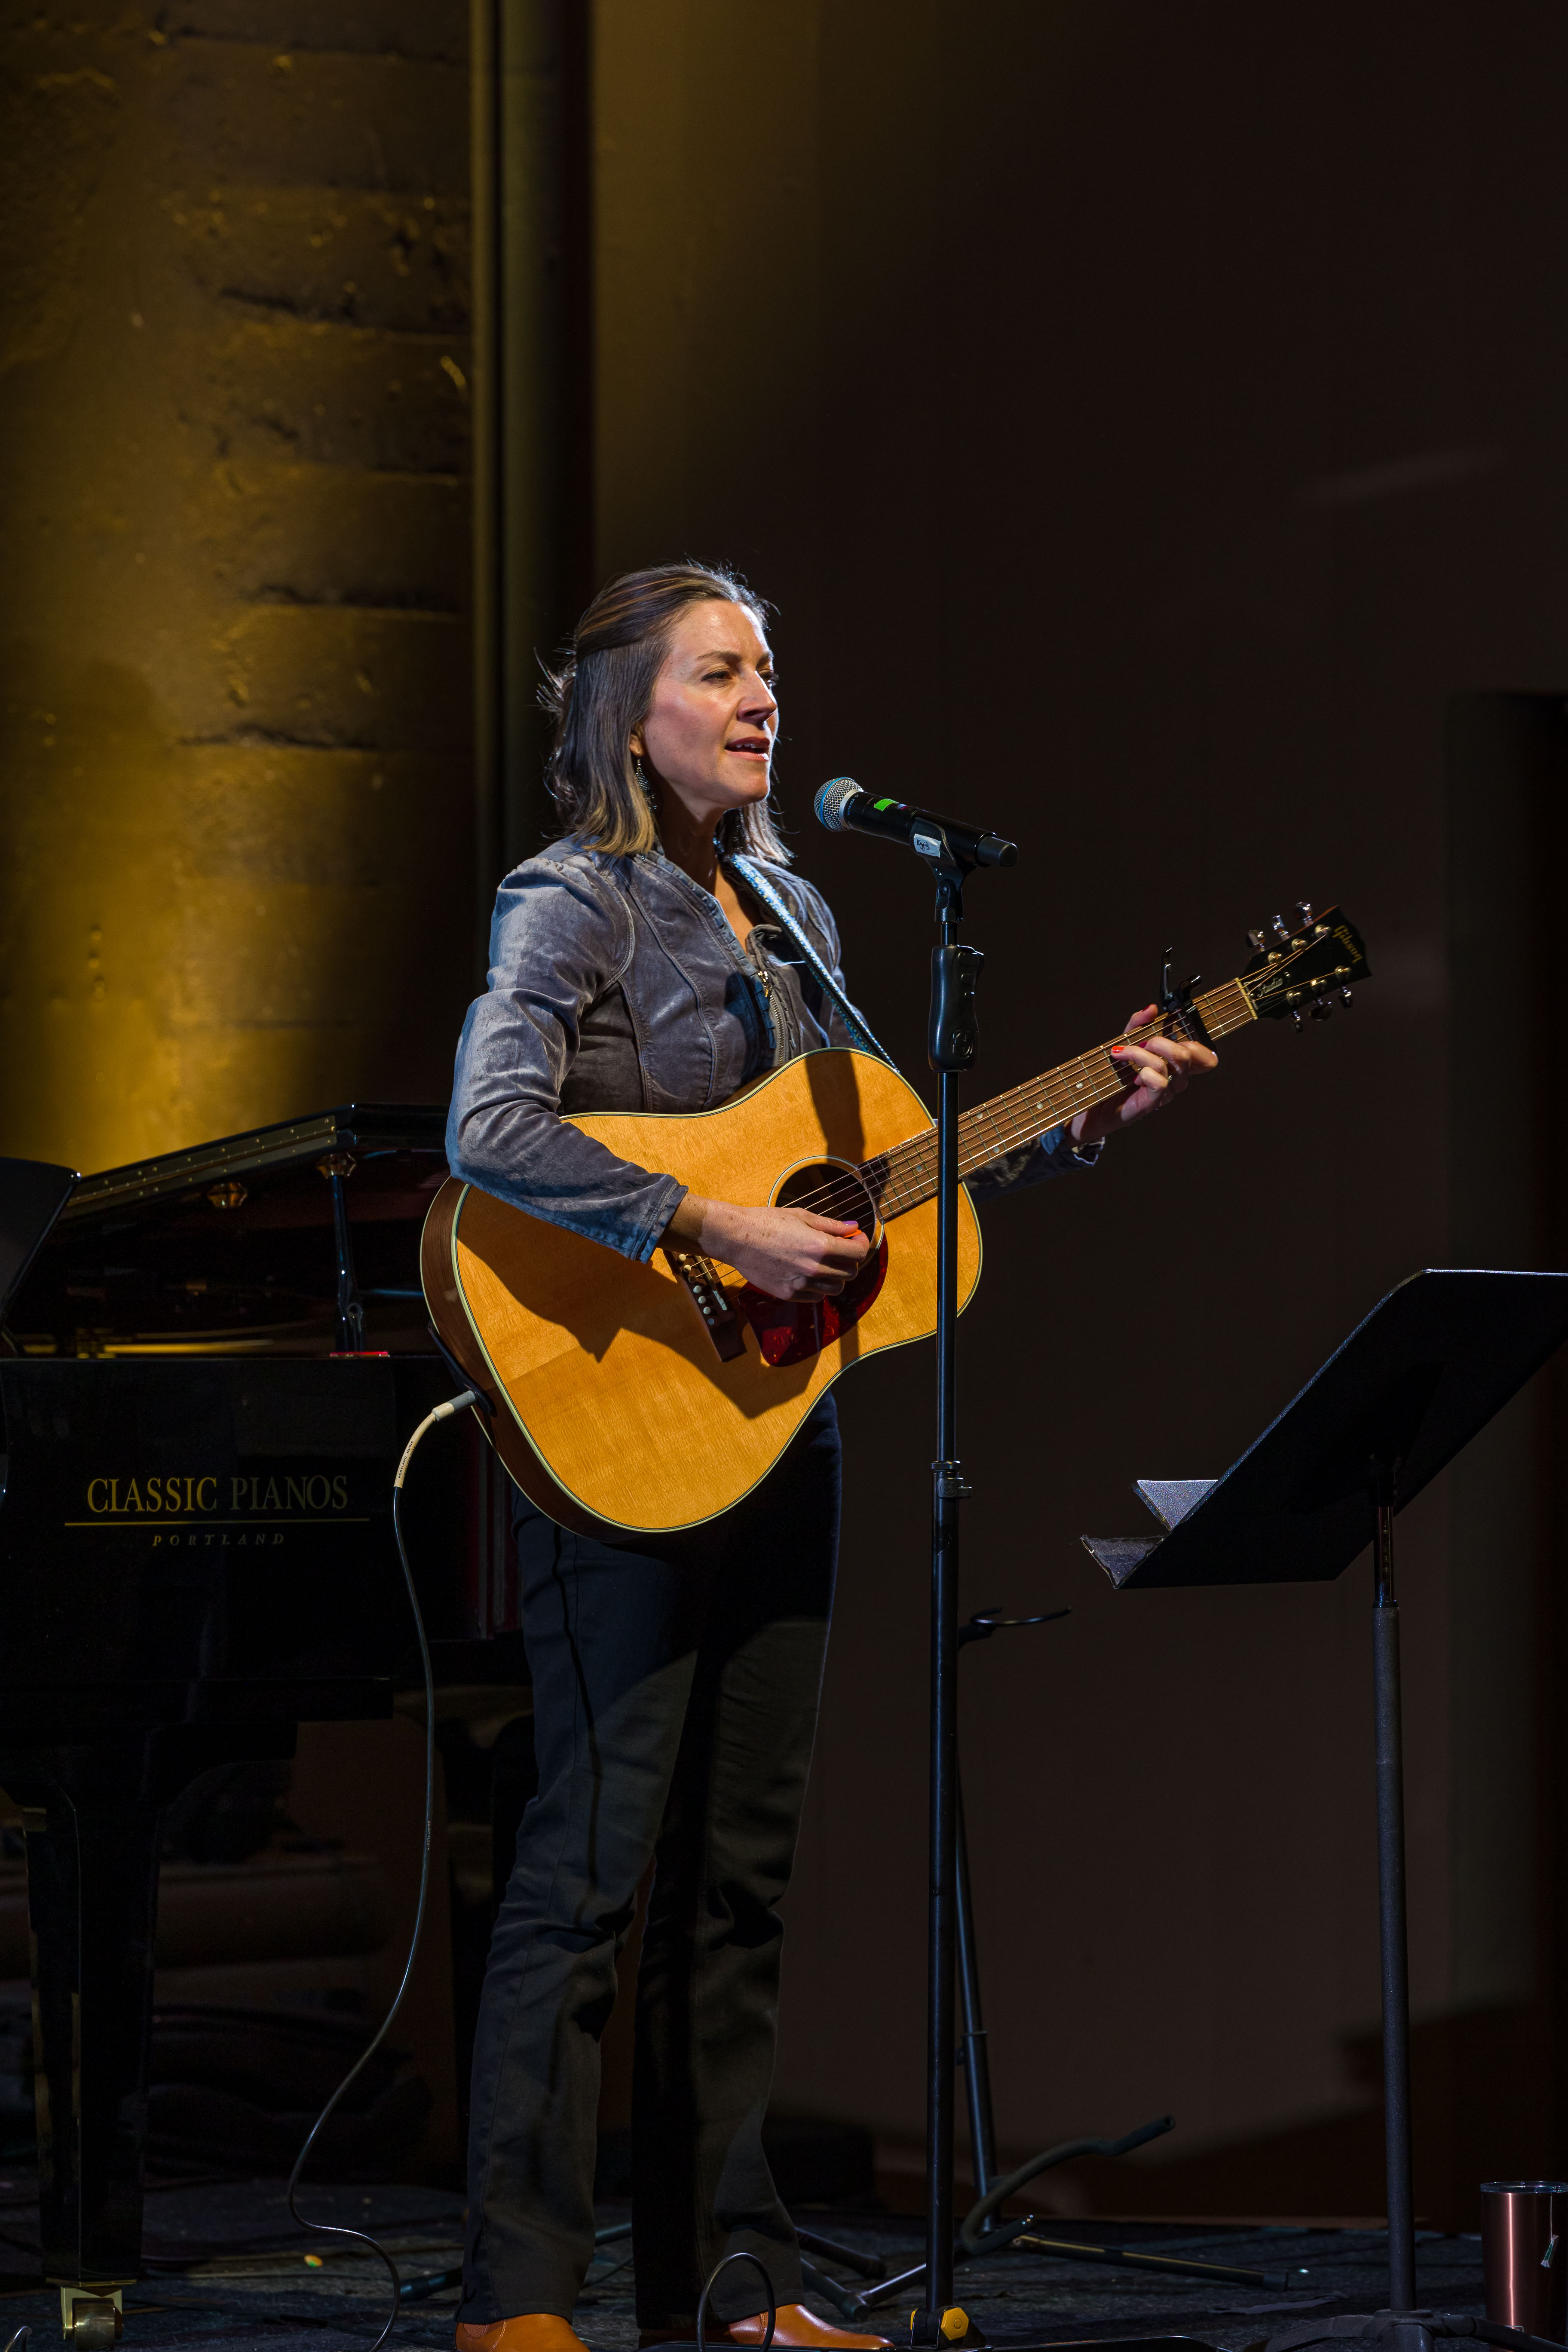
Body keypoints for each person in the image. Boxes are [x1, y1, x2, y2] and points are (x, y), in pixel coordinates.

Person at [445, 564, 1216, 2352]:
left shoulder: (794, 909)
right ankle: (517, 2298)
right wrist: (709, 1222)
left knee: (743, 1876)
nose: (761, 699)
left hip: (783, 1427)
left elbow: (873, 1168)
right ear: (626, 709)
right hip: (618, 1419)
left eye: (768, 672)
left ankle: (737, 2287)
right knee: (588, 1873)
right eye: (720, 671)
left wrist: (1081, 1117)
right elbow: (490, 1129)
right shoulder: (570, 899)